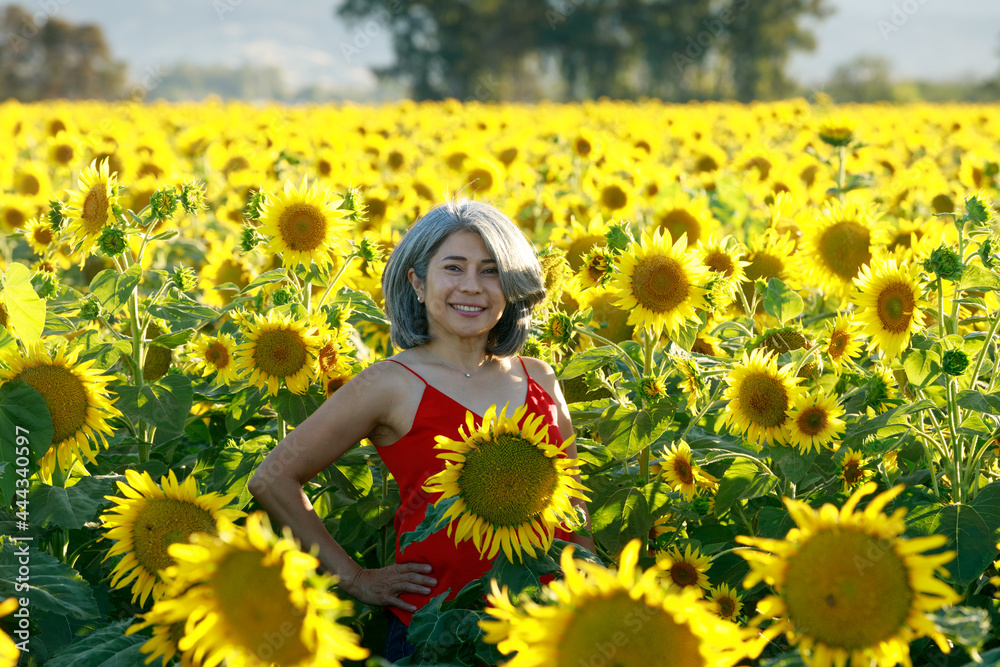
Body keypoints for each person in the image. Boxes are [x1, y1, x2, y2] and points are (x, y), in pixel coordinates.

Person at [249, 199, 594, 660]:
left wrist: (591, 579)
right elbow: (273, 478)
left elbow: (572, 505)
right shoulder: (388, 383)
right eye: (454, 268)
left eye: (491, 271)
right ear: (417, 281)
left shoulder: (539, 376)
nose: (472, 287)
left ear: (510, 285)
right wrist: (354, 578)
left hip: (550, 626)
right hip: (437, 632)